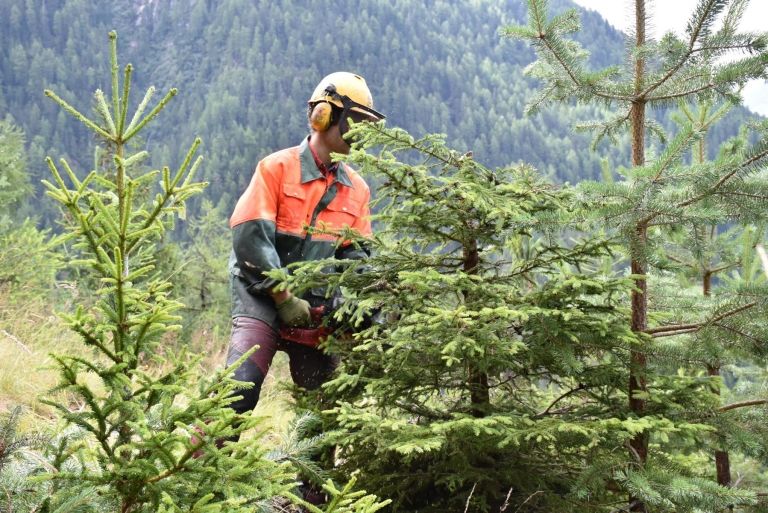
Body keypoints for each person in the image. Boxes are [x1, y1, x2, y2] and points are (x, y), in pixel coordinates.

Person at [224, 72, 385, 421]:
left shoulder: (357, 190)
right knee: (240, 387)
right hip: (259, 293)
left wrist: (360, 309)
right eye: (354, 121)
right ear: (324, 116)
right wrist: (282, 296)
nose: (358, 132)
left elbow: (357, 260)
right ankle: (203, 467)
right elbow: (249, 238)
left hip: (314, 304)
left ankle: (306, 477)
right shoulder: (276, 169)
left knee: (321, 411)